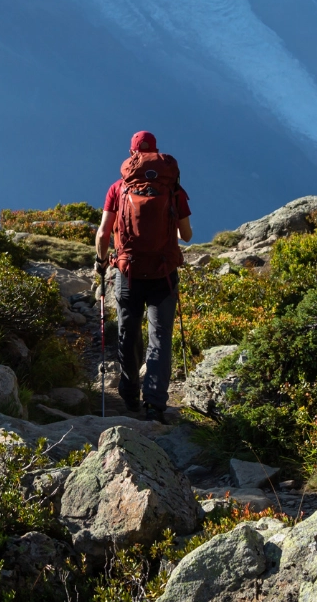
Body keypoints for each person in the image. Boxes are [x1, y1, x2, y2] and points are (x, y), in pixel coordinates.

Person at [94, 130, 193, 421]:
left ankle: (129, 393)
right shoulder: (174, 188)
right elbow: (186, 235)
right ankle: (155, 404)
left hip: (128, 272)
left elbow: (102, 234)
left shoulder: (118, 187)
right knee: (160, 337)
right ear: (157, 152)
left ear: (132, 154)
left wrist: (101, 263)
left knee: (128, 333)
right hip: (164, 273)